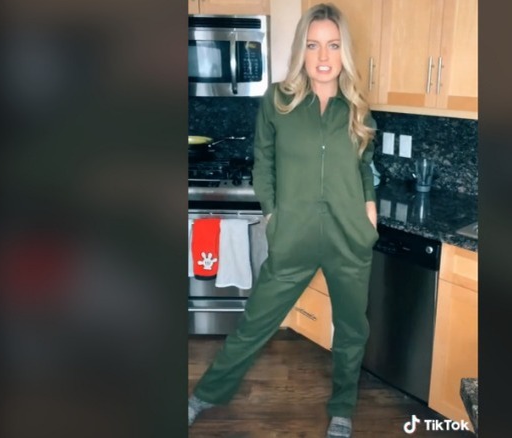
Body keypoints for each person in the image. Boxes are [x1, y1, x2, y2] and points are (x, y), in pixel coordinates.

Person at [188, 3, 378, 437]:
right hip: (293, 235)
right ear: (301, 51)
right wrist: (273, 214)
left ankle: (342, 409)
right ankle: (205, 395)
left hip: (349, 235)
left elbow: (365, 166)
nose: (323, 56)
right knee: (256, 321)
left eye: (333, 45)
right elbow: (264, 163)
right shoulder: (278, 100)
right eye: (313, 45)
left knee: (352, 330)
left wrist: (369, 206)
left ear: (344, 51)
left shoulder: (357, 107)